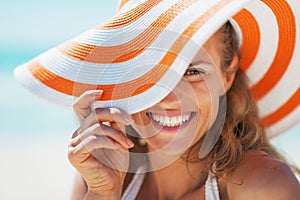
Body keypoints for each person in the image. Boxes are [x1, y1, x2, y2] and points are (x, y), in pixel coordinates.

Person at [14, 0, 300, 199]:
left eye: (192, 71)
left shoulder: (260, 185)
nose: (168, 98)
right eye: (148, 71)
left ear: (227, 75)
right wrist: (103, 194)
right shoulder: (103, 176)